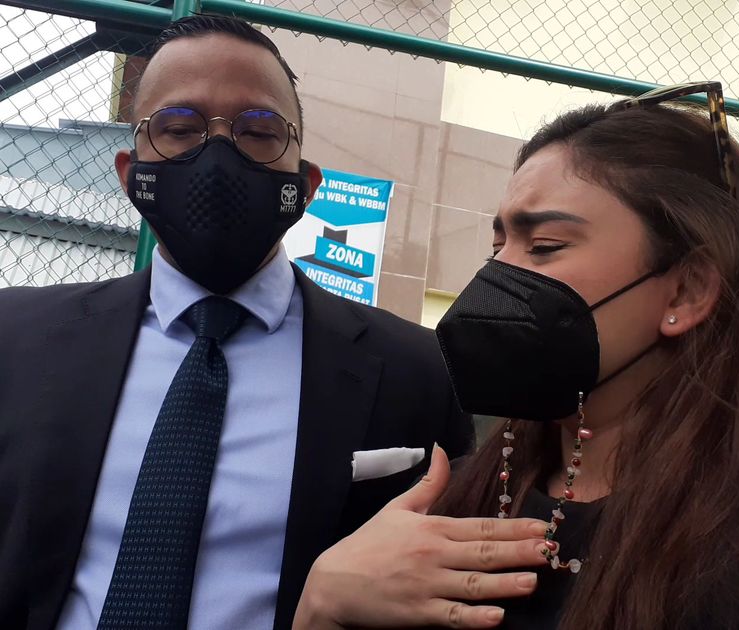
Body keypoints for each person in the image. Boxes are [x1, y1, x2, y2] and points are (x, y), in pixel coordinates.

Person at [293, 83, 739, 629]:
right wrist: (322, 607)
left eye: (544, 247)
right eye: (497, 249)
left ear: (686, 290)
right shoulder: (456, 505)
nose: (497, 277)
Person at [0, 16, 550, 630]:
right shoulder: (15, 338)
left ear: (306, 185)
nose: (217, 154)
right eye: (178, 128)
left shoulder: (419, 370)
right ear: (130, 174)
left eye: (259, 131)